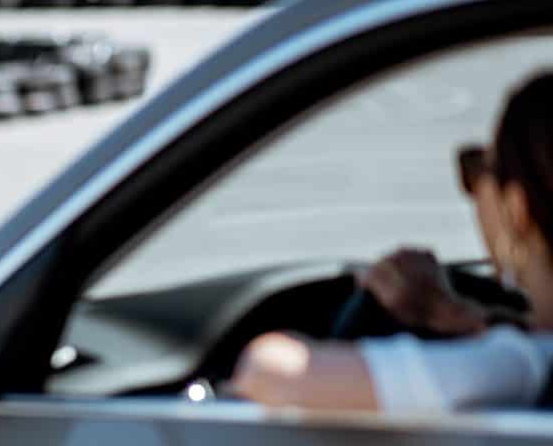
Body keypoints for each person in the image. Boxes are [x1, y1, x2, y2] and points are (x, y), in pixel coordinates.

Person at [232, 70, 553, 415]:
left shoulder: (520, 366)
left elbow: (272, 375)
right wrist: (454, 315)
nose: (473, 193)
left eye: (478, 169)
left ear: (517, 208)